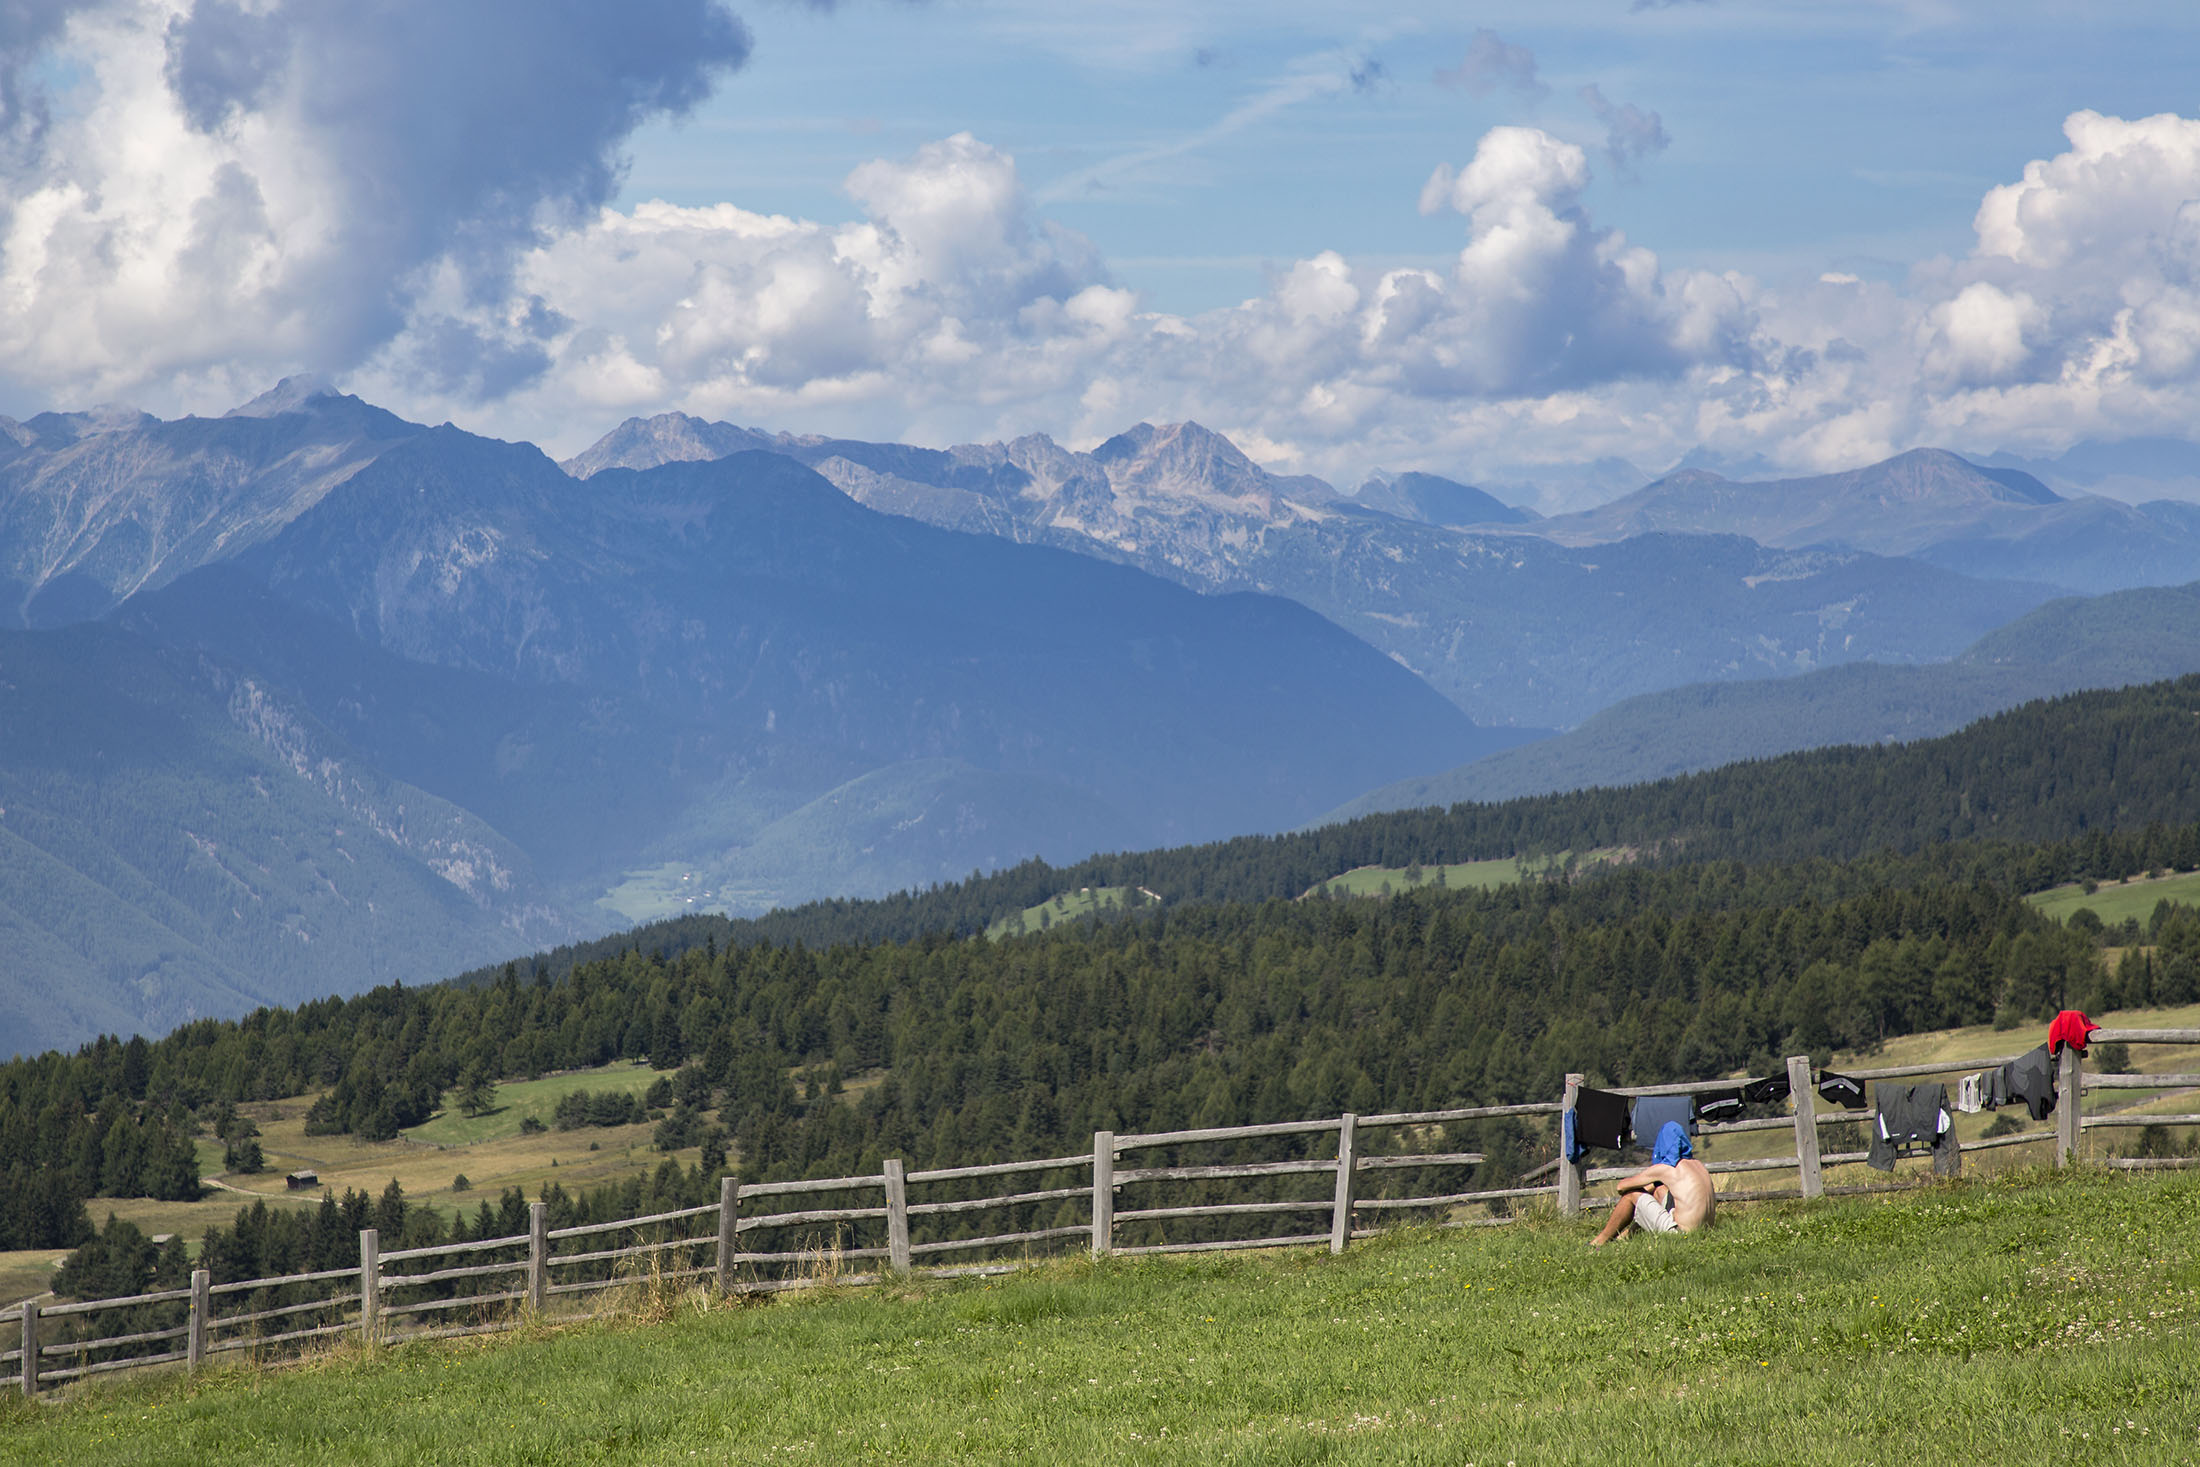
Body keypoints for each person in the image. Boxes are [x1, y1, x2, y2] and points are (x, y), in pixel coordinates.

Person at [1589, 1121, 1715, 1245]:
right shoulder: (1698, 1165)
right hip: (1703, 1232)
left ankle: (1599, 1241)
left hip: (1681, 1235)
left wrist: (1648, 1184)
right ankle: (1625, 1237)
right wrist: (1655, 1185)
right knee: (1659, 1192)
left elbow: (1621, 1187)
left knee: (1632, 1194)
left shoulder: (1667, 1168)